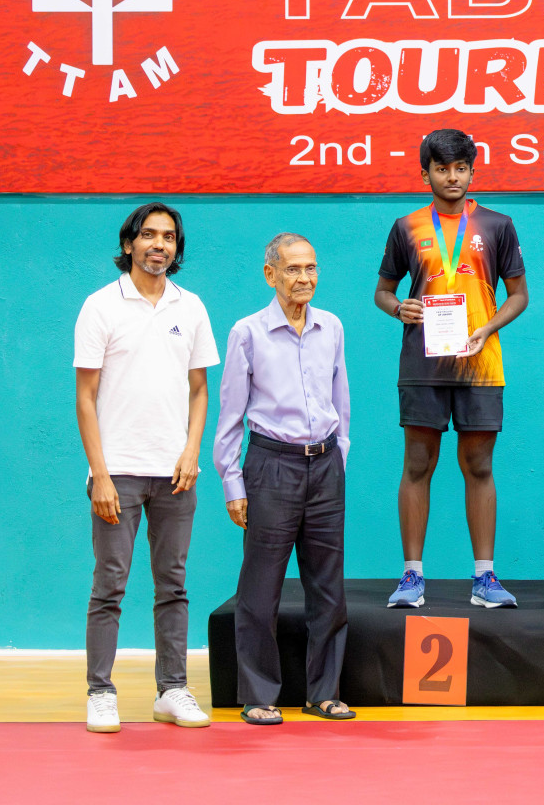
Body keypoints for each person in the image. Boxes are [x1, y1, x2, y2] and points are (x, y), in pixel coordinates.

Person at [74, 202, 218, 733]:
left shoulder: (192, 306)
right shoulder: (100, 306)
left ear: (177, 248)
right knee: (109, 585)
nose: (160, 244)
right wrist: (101, 474)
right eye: (150, 235)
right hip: (119, 473)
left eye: (169, 237)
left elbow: (199, 390)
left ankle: (172, 690)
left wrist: (190, 451)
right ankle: (100, 692)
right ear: (130, 242)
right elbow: (85, 398)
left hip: (176, 472)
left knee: (173, 584)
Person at [375, 129, 529, 609]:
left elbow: (519, 295)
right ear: (426, 174)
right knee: (418, 465)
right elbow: (382, 291)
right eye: (442, 168)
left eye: (461, 167)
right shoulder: (406, 227)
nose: (452, 176)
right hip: (422, 362)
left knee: (479, 465)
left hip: (480, 363)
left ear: (472, 170)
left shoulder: (497, 225)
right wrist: (399, 308)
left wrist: (487, 330)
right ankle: (411, 577)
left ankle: (484, 577)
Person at [214, 233, 355, 724]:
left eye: (311, 268)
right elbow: (230, 415)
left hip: (325, 468)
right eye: (293, 269)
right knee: (261, 587)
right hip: (271, 466)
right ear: (270, 274)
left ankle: (324, 692)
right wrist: (232, 482)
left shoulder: (331, 326)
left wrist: (339, 457)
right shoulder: (247, 333)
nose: (304, 279)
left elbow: (342, 401)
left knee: (328, 588)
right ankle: (258, 694)